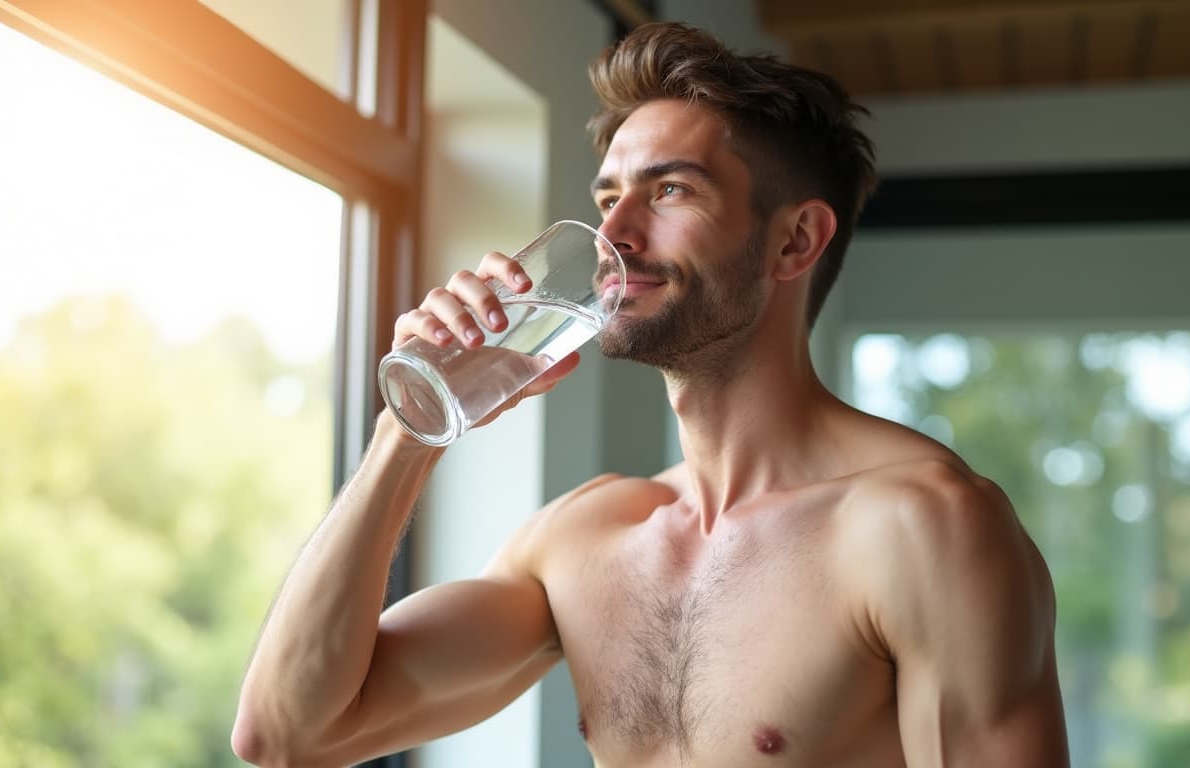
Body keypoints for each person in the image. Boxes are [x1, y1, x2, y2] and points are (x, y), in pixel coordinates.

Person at [231, 21, 1069, 768]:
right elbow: (288, 735)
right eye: (607, 198)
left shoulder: (925, 528)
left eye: (670, 191)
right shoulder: (585, 537)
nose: (616, 237)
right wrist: (409, 428)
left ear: (794, 240)